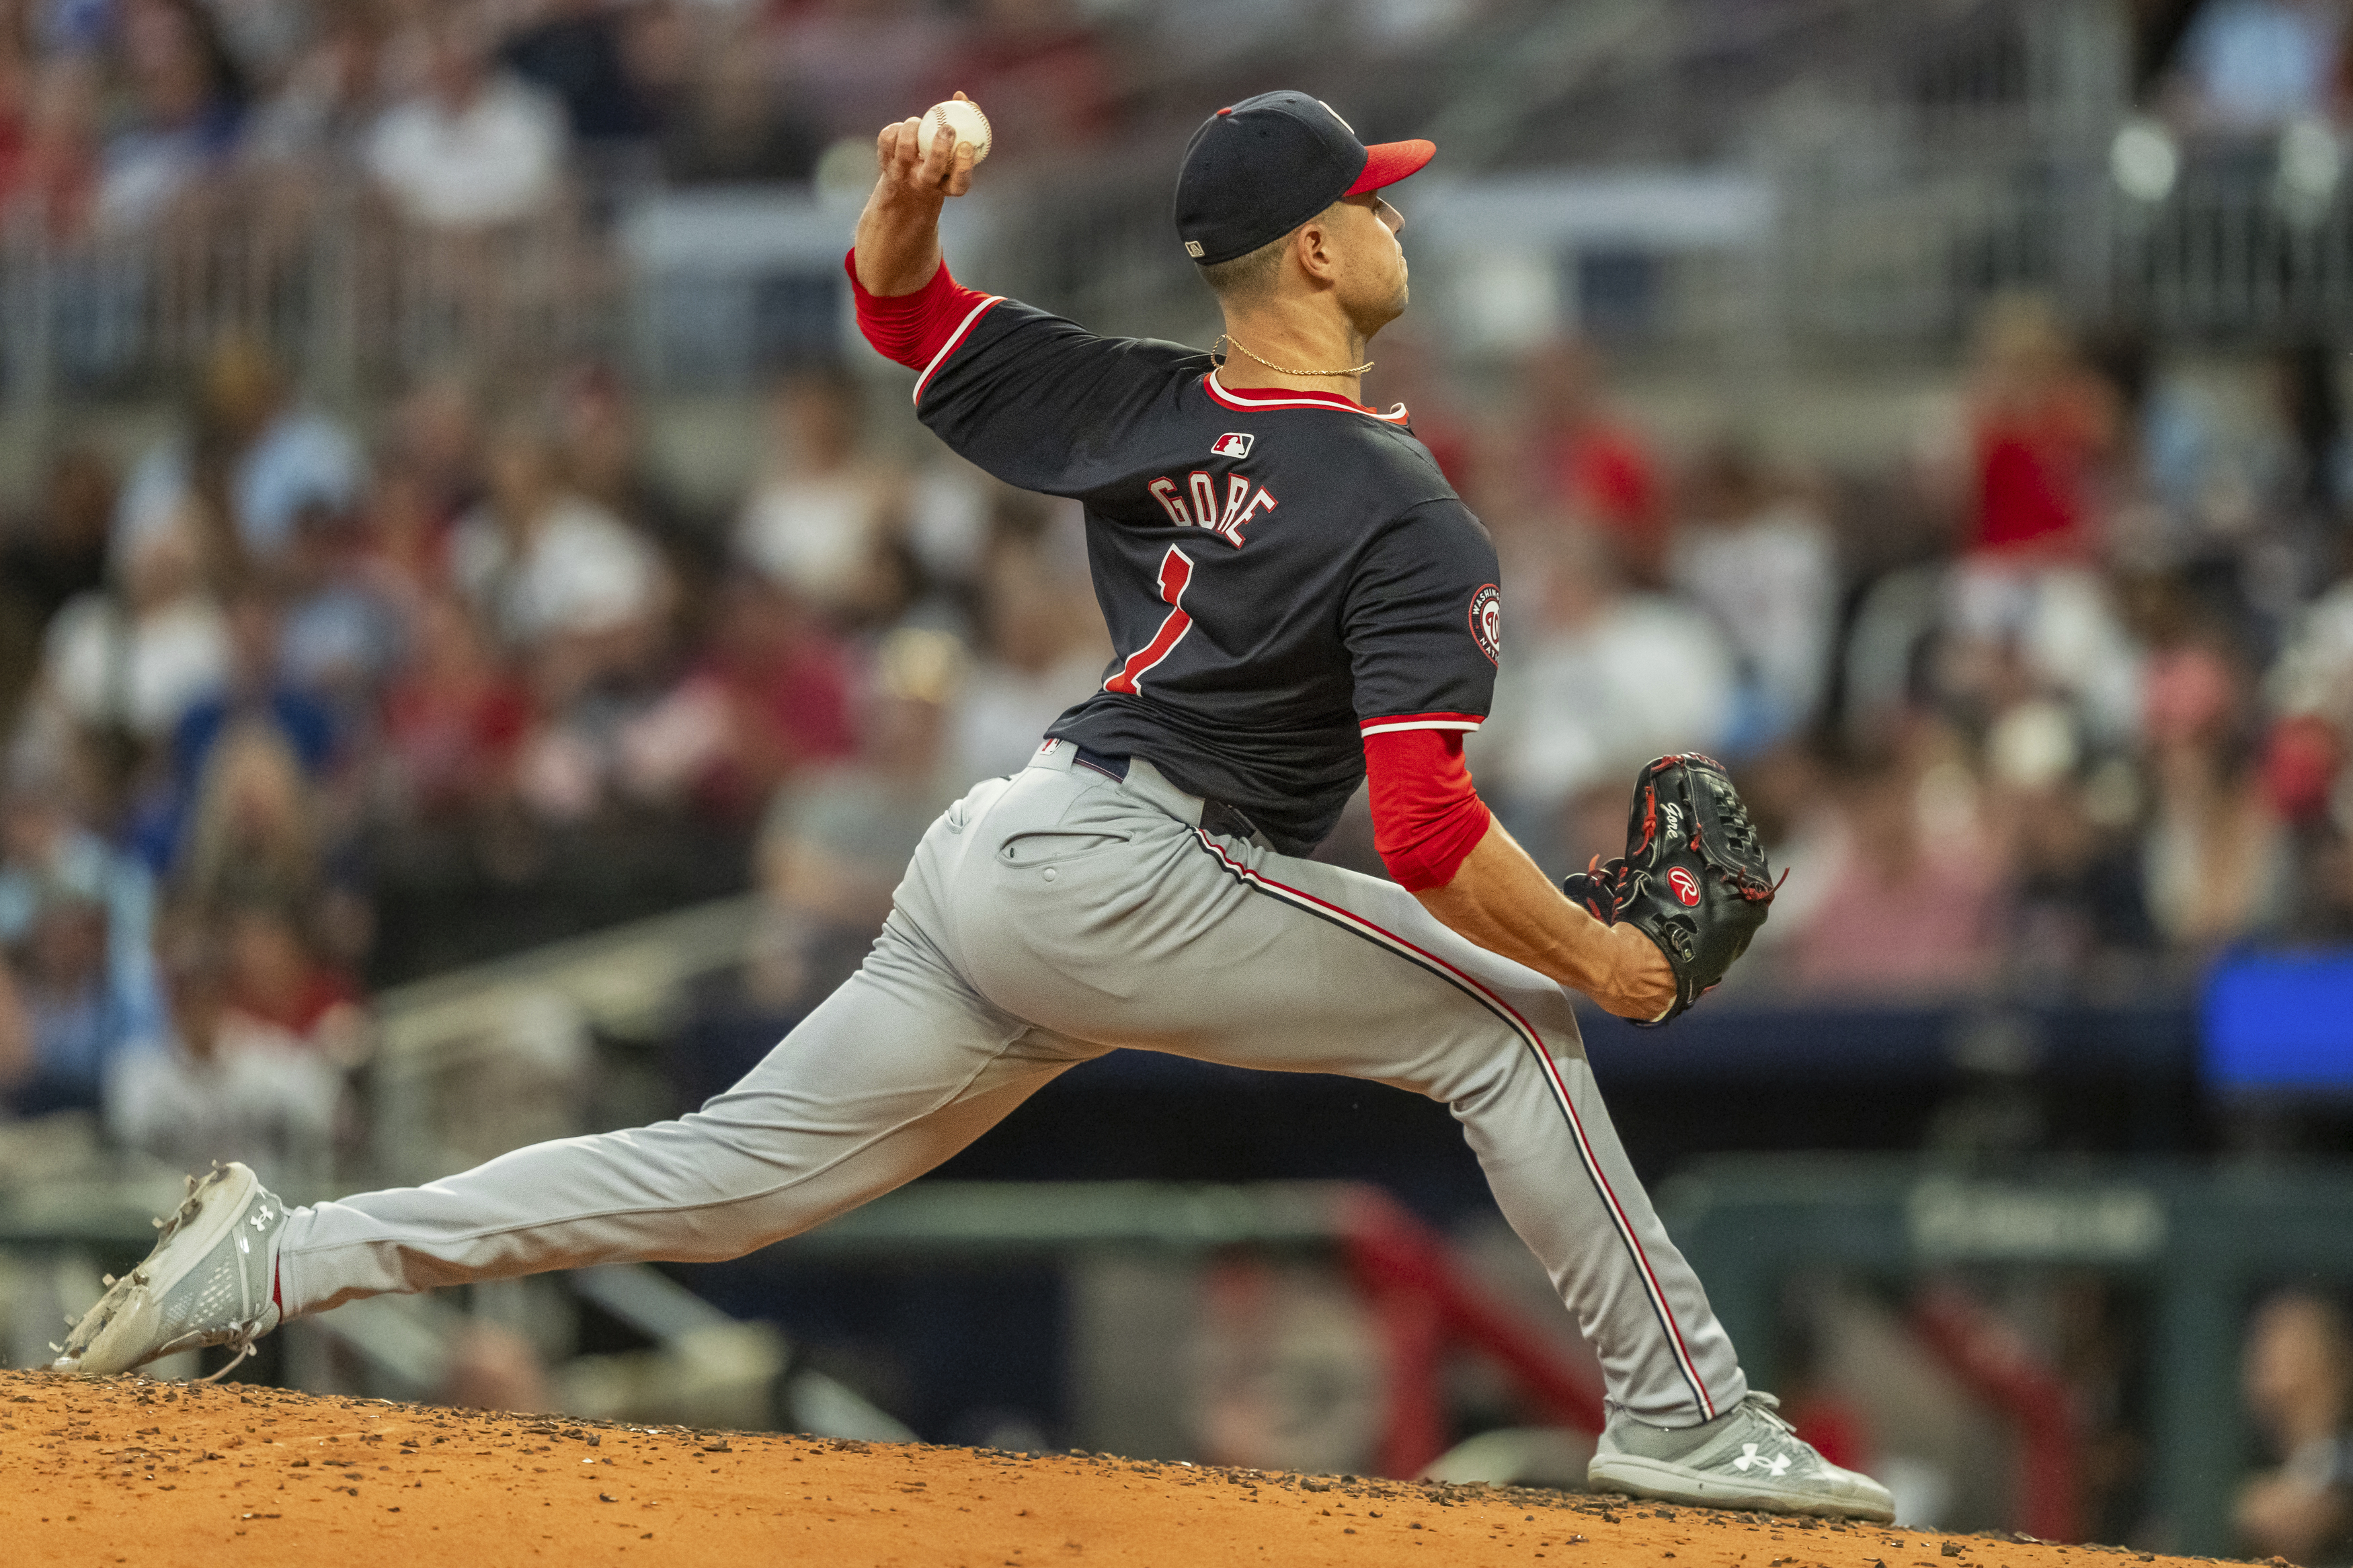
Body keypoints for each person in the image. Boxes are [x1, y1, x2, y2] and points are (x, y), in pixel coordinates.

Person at [51, 89, 1892, 1523]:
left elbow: (894, 303)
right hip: (1125, 861)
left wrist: (914, 189)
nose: (1395, 214)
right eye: (1372, 199)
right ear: (1312, 253)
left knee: (713, 1186)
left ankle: (278, 1259)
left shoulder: (1143, 399)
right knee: (1517, 1023)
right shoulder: (1410, 513)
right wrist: (1603, 961)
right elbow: (1418, 826)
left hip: (1008, 852)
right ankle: (1689, 1422)